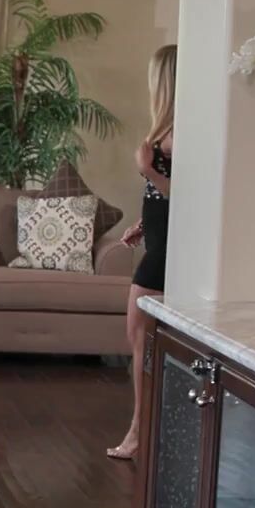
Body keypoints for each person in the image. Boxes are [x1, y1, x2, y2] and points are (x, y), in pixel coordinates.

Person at [109, 44, 175, 460]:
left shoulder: (180, 132)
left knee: (140, 338)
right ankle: (143, 430)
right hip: (159, 238)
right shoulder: (167, 128)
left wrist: (147, 169)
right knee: (139, 338)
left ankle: (140, 432)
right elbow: (161, 197)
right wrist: (142, 223)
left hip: (168, 251)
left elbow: (187, 195)